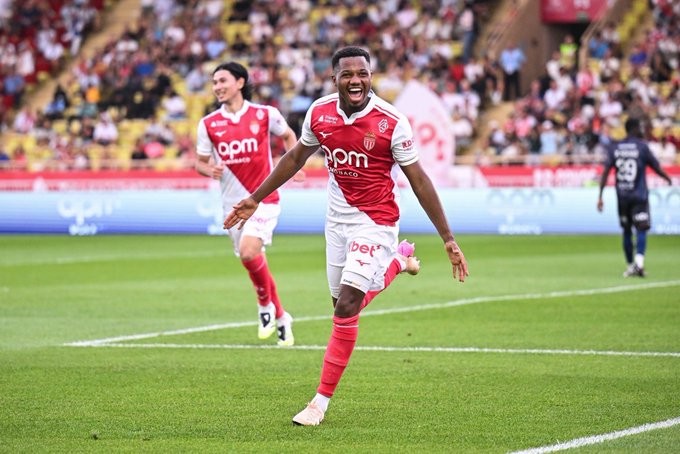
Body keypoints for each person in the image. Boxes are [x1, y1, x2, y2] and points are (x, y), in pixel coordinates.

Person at [224, 46, 469, 426]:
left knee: (347, 306)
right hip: (337, 220)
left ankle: (318, 404)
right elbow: (295, 157)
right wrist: (255, 199)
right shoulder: (319, 113)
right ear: (334, 78)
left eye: (362, 74)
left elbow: (419, 180)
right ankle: (397, 263)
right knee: (341, 303)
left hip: (377, 220)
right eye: (348, 74)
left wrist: (448, 238)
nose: (356, 80)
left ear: (370, 77)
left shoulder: (392, 121)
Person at [195, 61, 298, 346]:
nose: (217, 87)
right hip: (232, 205)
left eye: (222, 81)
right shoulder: (208, 124)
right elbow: (200, 162)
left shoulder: (265, 114)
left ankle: (264, 305)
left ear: (240, 82)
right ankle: (281, 316)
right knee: (251, 258)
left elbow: (289, 135)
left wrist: (296, 163)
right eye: (214, 82)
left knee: (249, 250)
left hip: (263, 198)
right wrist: (209, 169)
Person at [597, 118, 672, 277]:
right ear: (635, 128)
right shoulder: (642, 147)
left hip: (622, 196)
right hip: (639, 196)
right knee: (641, 228)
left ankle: (631, 265)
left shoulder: (615, 147)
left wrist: (600, 196)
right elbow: (656, 167)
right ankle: (639, 263)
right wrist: (667, 178)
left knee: (626, 230)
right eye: (640, 127)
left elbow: (605, 172)